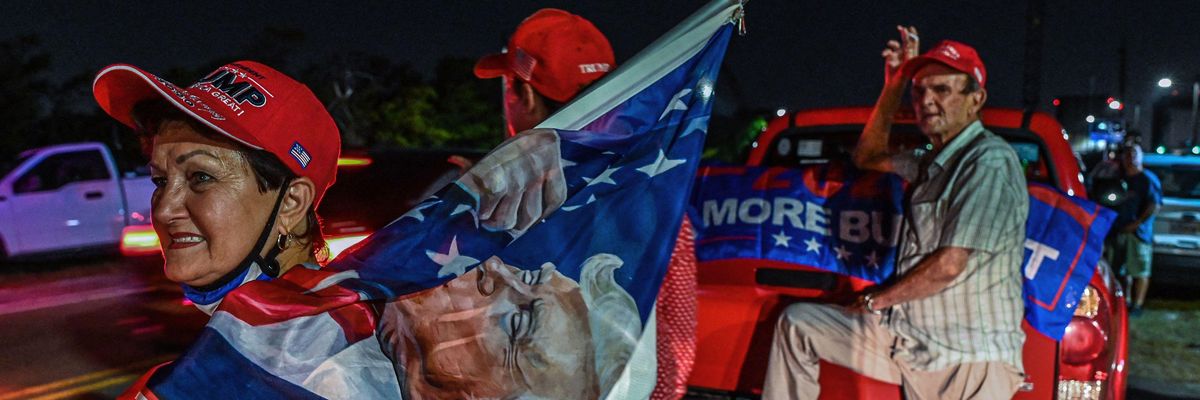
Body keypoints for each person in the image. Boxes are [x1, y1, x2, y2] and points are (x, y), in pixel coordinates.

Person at [94, 61, 565, 399]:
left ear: (292, 202)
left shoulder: (325, 363)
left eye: (200, 177)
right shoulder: (261, 340)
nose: (165, 208)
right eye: (160, 180)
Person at [762, 27, 1029, 399]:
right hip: (909, 339)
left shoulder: (989, 161)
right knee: (799, 325)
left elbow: (950, 265)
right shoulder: (928, 161)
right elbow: (867, 158)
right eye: (920, 91)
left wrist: (876, 300)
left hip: (966, 358)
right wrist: (896, 82)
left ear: (976, 99)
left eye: (943, 90)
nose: (927, 100)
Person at [475, 9, 700, 400]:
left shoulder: (492, 203)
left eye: (509, 87)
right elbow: (675, 342)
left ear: (524, 94)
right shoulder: (658, 195)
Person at [1106, 140, 1162, 315]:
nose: (1130, 158)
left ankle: (1137, 305)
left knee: (1139, 270)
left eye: (1134, 154)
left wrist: (1137, 223)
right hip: (1119, 230)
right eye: (1127, 154)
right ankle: (1125, 301)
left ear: (1141, 157)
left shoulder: (1147, 179)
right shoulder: (1119, 179)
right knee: (1120, 270)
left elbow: (1154, 205)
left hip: (1139, 234)